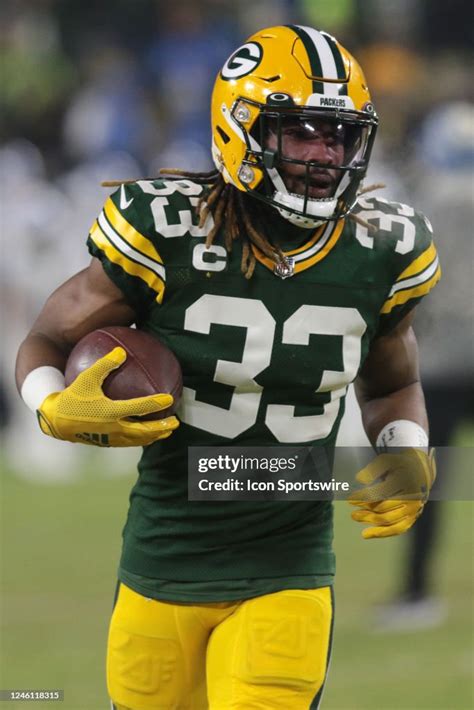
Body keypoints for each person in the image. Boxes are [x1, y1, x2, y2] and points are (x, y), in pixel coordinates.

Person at [16, 25, 439, 710]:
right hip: (162, 558)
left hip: (288, 565)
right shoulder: (167, 228)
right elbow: (44, 339)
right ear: (239, 129)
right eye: (300, 133)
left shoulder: (383, 248)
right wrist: (50, 402)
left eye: (338, 136)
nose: (324, 155)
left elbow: (393, 380)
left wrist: (408, 448)